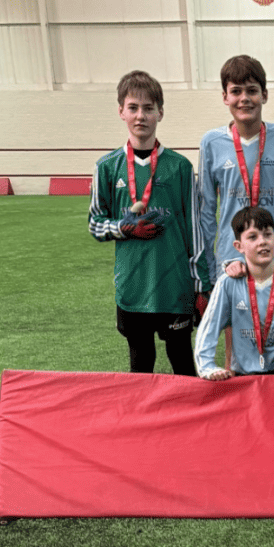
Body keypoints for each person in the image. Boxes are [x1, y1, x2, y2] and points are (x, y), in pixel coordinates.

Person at [88, 70, 210, 376]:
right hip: (133, 286)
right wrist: (123, 228)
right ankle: (142, 424)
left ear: (160, 113)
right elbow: (95, 224)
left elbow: (194, 231)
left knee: (182, 360)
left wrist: (200, 286)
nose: (140, 115)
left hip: (175, 285)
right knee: (140, 364)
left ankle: (191, 423)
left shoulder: (180, 167)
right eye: (133, 108)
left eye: (148, 108)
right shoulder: (106, 167)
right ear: (121, 112)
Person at [198, 54, 274, 271]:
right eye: (236, 91)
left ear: (264, 95)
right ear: (225, 97)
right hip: (231, 262)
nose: (244, 98)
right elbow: (206, 212)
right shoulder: (211, 143)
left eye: (252, 90)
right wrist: (211, 269)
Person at [194, 208, 274, 379]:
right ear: (238, 246)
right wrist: (207, 367)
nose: (262, 242)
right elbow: (209, 329)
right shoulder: (228, 283)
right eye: (252, 237)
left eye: (267, 235)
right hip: (244, 376)